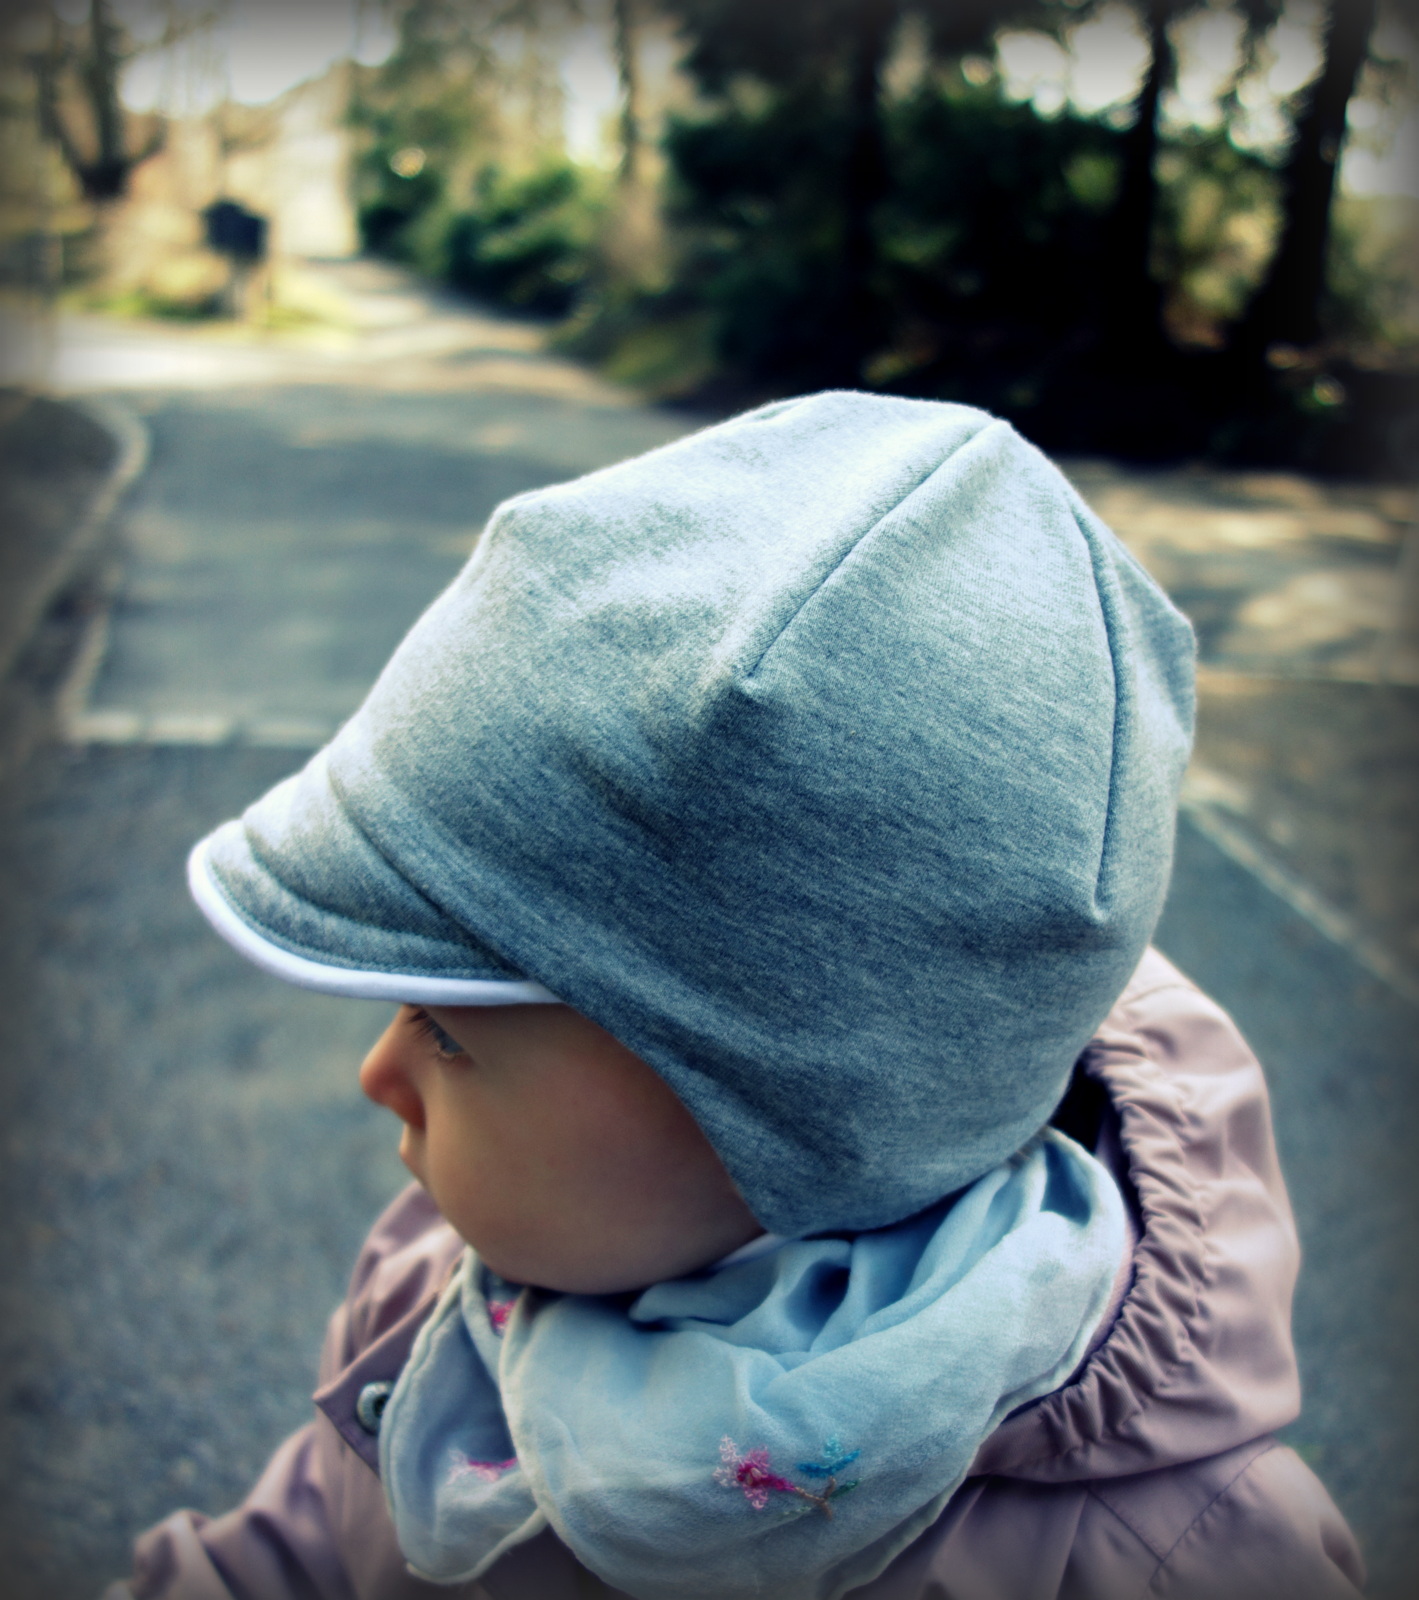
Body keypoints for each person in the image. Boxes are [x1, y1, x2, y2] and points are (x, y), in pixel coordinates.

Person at [108, 393, 1364, 1600]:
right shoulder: (445, 1293)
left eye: (444, 1026)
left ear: (782, 1119)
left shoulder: (1163, 1559)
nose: (376, 1073)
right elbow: (298, 1552)